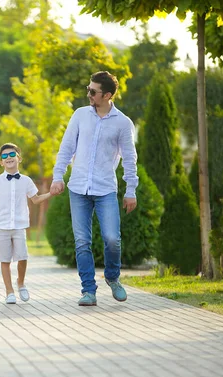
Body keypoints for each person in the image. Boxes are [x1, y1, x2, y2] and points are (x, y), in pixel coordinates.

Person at [50, 71, 138, 307]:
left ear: (107, 95)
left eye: (93, 91)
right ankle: (88, 290)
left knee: (112, 239)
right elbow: (66, 148)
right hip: (78, 188)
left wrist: (131, 190)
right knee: (82, 242)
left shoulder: (122, 123)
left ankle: (112, 277)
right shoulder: (80, 115)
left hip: (105, 189)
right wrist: (58, 176)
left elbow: (130, 159)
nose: (88, 94)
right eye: (88, 89)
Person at [0, 143, 53, 304]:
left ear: (19, 158)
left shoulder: (26, 181)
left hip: (19, 226)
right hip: (1, 226)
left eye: (12, 154)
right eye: (4, 156)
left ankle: (21, 283)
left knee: (23, 257)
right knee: (5, 260)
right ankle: (9, 291)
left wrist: (51, 193)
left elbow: (36, 199)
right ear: (1, 162)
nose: (8, 157)